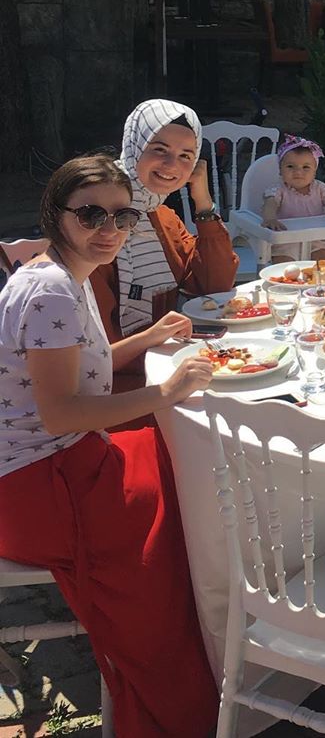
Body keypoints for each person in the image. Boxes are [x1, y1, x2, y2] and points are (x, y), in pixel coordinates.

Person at [0, 155, 220, 737]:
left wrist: (146, 339)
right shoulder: (51, 292)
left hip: (50, 461)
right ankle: (178, 698)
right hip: (39, 483)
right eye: (91, 214)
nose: (110, 229)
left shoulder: (60, 273)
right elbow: (61, 414)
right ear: (56, 213)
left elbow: (79, 371)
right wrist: (167, 392)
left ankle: (211, 646)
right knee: (179, 511)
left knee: (179, 459)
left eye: (122, 217)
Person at [90, 99, 238, 349]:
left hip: (159, 354)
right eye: (159, 149)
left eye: (185, 156)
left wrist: (203, 203)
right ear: (135, 146)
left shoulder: (162, 217)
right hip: (112, 366)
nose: (172, 165)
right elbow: (95, 348)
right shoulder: (97, 222)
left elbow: (213, 286)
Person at [261, 134, 325, 261]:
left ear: (314, 172)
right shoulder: (278, 189)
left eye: (306, 167)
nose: (298, 172)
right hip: (286, 241)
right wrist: (270, 218)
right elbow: (270, 203)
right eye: (290, 166)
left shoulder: (320, 188)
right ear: (280, 170)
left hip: (316, 238)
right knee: (285, 266)